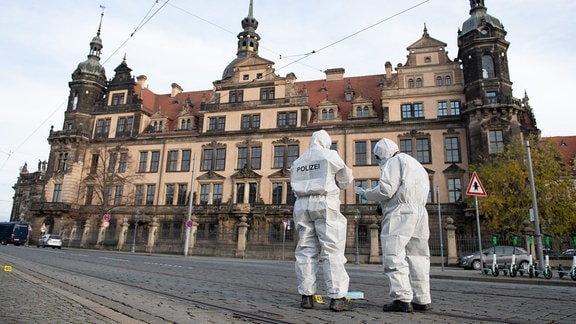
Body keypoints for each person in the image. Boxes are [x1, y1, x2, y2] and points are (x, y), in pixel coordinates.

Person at [356, 137, 431, 313]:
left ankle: (402, 298)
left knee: (394, 253)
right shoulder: (416, 164)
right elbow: (403, 190)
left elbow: (386, 189)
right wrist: (384, 205)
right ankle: (422, 299)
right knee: (419, 256)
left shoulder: (393, 161)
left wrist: (366, 194)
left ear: (381, 154)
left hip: (400, 213)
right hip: (420, 211)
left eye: (377, 157)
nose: (378, 161)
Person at [290, 129, 354, 312]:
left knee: (305, 250)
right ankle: (337, 297)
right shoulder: (330, 155)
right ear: (326, 142)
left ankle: (306, 296)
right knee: (332, 249)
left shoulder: (298, 161)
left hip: (301, 204)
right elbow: (345, 179)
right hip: (324, 202)